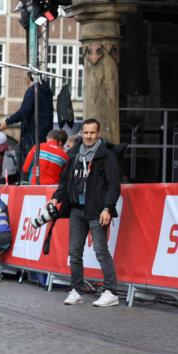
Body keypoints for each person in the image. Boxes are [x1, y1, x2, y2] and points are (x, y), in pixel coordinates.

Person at [52, 118, 121, 307]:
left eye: (92, 133)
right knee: (74, 252)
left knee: (100, 251)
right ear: (81, 133)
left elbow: (114, 186)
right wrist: (56, 197)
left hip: (97, 211)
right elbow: (65, 181)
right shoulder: (74, 154)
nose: (88, 136)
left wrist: (107, 208)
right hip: (76, 210)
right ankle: (76, 290)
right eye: (86, 132)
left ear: (98, 134)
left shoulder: (106, 156)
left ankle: (111, 291)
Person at [0, 73, 54, 172]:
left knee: (27, 165)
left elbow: (24, 111)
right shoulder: (47, 92)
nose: (25, 80)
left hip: (32, 136)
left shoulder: (32, 91)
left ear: (30, 78)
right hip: (44, 136)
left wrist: (8, 121)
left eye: (26, 78)